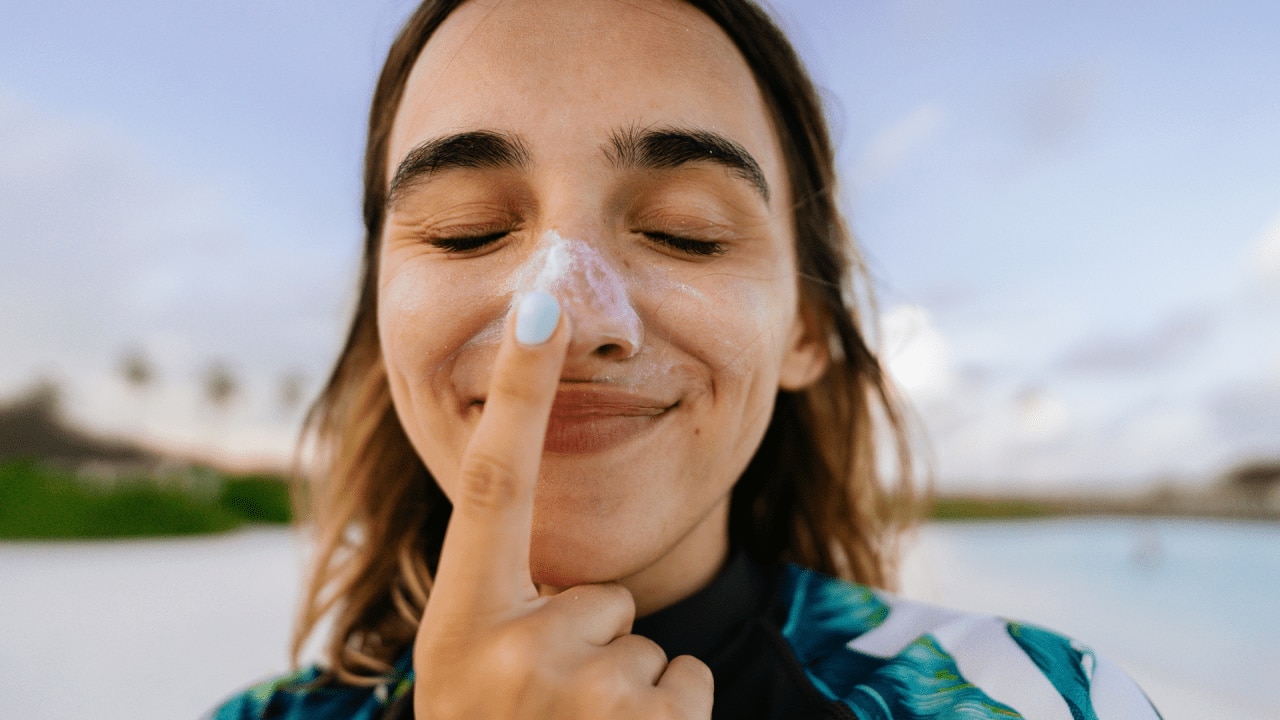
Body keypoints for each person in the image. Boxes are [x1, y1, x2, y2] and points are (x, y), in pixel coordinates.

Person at [212, 1, 1161, 718]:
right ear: (383, 317)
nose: (573, 315)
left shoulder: (1048, 700)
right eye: (467, 233)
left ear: (805, 329)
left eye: (686, 234)